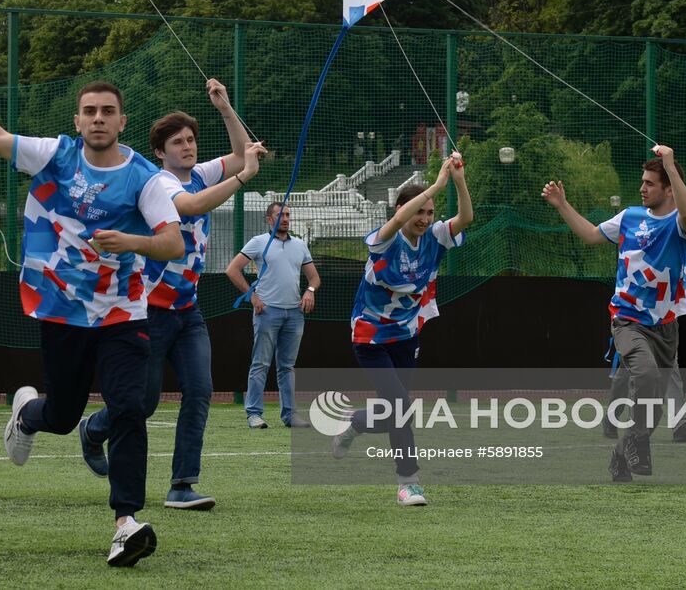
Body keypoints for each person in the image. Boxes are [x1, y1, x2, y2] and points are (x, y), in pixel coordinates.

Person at [0, 63, 182, 568]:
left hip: (123, 313)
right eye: (89, 111)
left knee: (129, 408)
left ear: (122, 121)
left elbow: (171, 242)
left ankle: (126, 522)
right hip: (61, 311)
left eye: (107, 112)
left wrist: (132, 241)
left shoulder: (145, 177)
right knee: (62, 416)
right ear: (77, 121)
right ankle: (27, 415)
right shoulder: (56, 154)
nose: (98, 118)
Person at [82, 78, 265, 512]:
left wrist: (224, 108)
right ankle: (93, 429)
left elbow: (240, 153)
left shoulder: (200, 174)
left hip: (187, 311)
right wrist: (243, 176)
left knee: (200, 391)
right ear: (160, 152)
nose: (188, 147)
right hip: (149, 311)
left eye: (191, 140)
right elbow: (192, 207)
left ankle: (182, 485)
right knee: (141, 403)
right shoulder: (160, 183)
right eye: (178, 142)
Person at [543, 145, 686, 483]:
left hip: (665, 326)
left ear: (669, 189)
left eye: (650, 183)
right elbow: (591, 235)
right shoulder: (629, 217)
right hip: (627, 320)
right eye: (642, 181)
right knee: (646, 375)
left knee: (653, 408)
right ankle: (637, 446)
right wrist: (562, 204)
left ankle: (621, 455)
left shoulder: (680, 225)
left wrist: (670, 164)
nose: (642, 188)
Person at [331, 153, 472, 507]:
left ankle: (355, 423)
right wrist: (437, 184)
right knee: (399, 406)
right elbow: (395, 221)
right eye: (418, 211)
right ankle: (408, 483)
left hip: (406, 337)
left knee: (396, 410)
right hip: (370, 337)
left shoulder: (436, 237)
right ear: (402, 210)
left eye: (429, 212)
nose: (424, 218)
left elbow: (466, 218)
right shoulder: (385, 240)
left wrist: (458, 181)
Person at [603, 244, 686, 442]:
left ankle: (681, 424)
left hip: (673, 311)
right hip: (641, 312)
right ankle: (612, 418)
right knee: (627, 371)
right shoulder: (650, 234)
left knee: (670, 366)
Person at [227, 202, 321, 429]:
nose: (285, 219)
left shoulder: (300, 245)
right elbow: (232, 269)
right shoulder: (259, 242)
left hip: (295, 313)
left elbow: (314, 278)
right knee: (260, 363)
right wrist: (252, 297)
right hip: (267, 312)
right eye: (280, 215)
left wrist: (310, 291)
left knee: (287, 366)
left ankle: (290, 416)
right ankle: (254, 414)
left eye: (288, 215)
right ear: (269, 219)